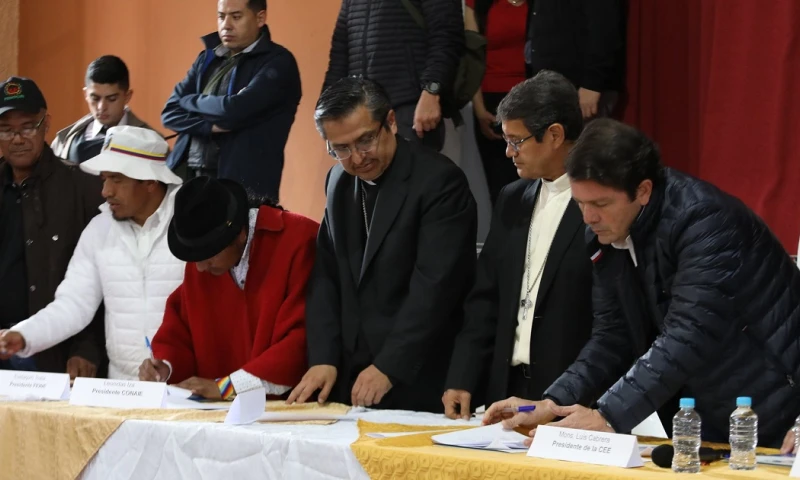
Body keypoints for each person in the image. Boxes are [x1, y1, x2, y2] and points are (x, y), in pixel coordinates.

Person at [484, 119, 800, 448]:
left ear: (643, 191)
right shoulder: (607, 232)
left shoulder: (704, 221)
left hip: (781, 404)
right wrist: (553, 404)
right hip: (710, 412)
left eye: (601, 204)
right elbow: (613, 335)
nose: (588, 218)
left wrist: (608, 415)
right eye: (580, 203)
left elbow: (689, 333)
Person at [287, 77, 477, 412]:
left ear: (390, 122)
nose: (357, 159)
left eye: (365, 141)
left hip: (414, 375)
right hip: (352, 377)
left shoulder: (438, 182)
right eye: (340, 149)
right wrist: (324, 358)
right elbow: (327, 276)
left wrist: (390, 364)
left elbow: (434, 289)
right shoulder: (337, 181)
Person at [442, 71, 593, 420]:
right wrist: (463, 375)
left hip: (573, 394)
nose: (508, 152)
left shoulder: (600, 202)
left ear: (555, 135)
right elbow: (486, 296)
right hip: (507, 387)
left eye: (517, 140)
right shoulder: (513, 198)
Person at [0, 126, 185, 380]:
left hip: (186, 385)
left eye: (116, 179)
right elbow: (74, 304)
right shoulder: (99, 229)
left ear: (150, 181)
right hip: (121, 387)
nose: (105, 191)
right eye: (104, 179)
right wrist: (24, 335)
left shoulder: (190, 224)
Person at [139, 176, 317, 400]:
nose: (200, 268)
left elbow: (303, 340)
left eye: (208, 256)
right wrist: (165, 366)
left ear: (240, 234)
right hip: (218, 415)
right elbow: (180, 327)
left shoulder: (299, 240)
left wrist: (228, 387)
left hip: (290, 409)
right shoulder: (204, 258)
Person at [0, 76, 105, 377]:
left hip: (54, 354)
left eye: (28, 126)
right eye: (6, 129)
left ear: (46, 123)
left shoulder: (84, 188)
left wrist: (87, 348)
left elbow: (102, 281)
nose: (17, 138)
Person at [162, 0, 301, 199]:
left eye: (236, 17)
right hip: (187, 177)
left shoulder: (278, 62)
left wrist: (190, 101)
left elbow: (232, 111)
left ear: (260, 18)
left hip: (244, 188)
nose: (226, 25)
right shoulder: (207, 58)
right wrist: (208, 126)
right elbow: (170, 113)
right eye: (221, 16)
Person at [322, 0, 463, 152]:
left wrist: (432, 90)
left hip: (410, 109)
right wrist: (325, 111)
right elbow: (339, 55)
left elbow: (446, 37)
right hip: (360, 113)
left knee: (412, 173)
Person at [464, 0, 528, 204]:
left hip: (531, 97)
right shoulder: (476, 4)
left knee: (536, 179)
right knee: (501, 185)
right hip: (492, 102)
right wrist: (480, 109)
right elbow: (472, 57)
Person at [525, 0, 625, 119]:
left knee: (584, 136)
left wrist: (592, 84)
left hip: (580, 86)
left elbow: (604, 29)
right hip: (548, 85)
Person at [51, 55, 160, 163]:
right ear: (86, 94)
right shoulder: (66, 140)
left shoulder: (151, 142)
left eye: (111, 99)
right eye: (95, 98)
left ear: (127, 96)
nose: (101, 107)